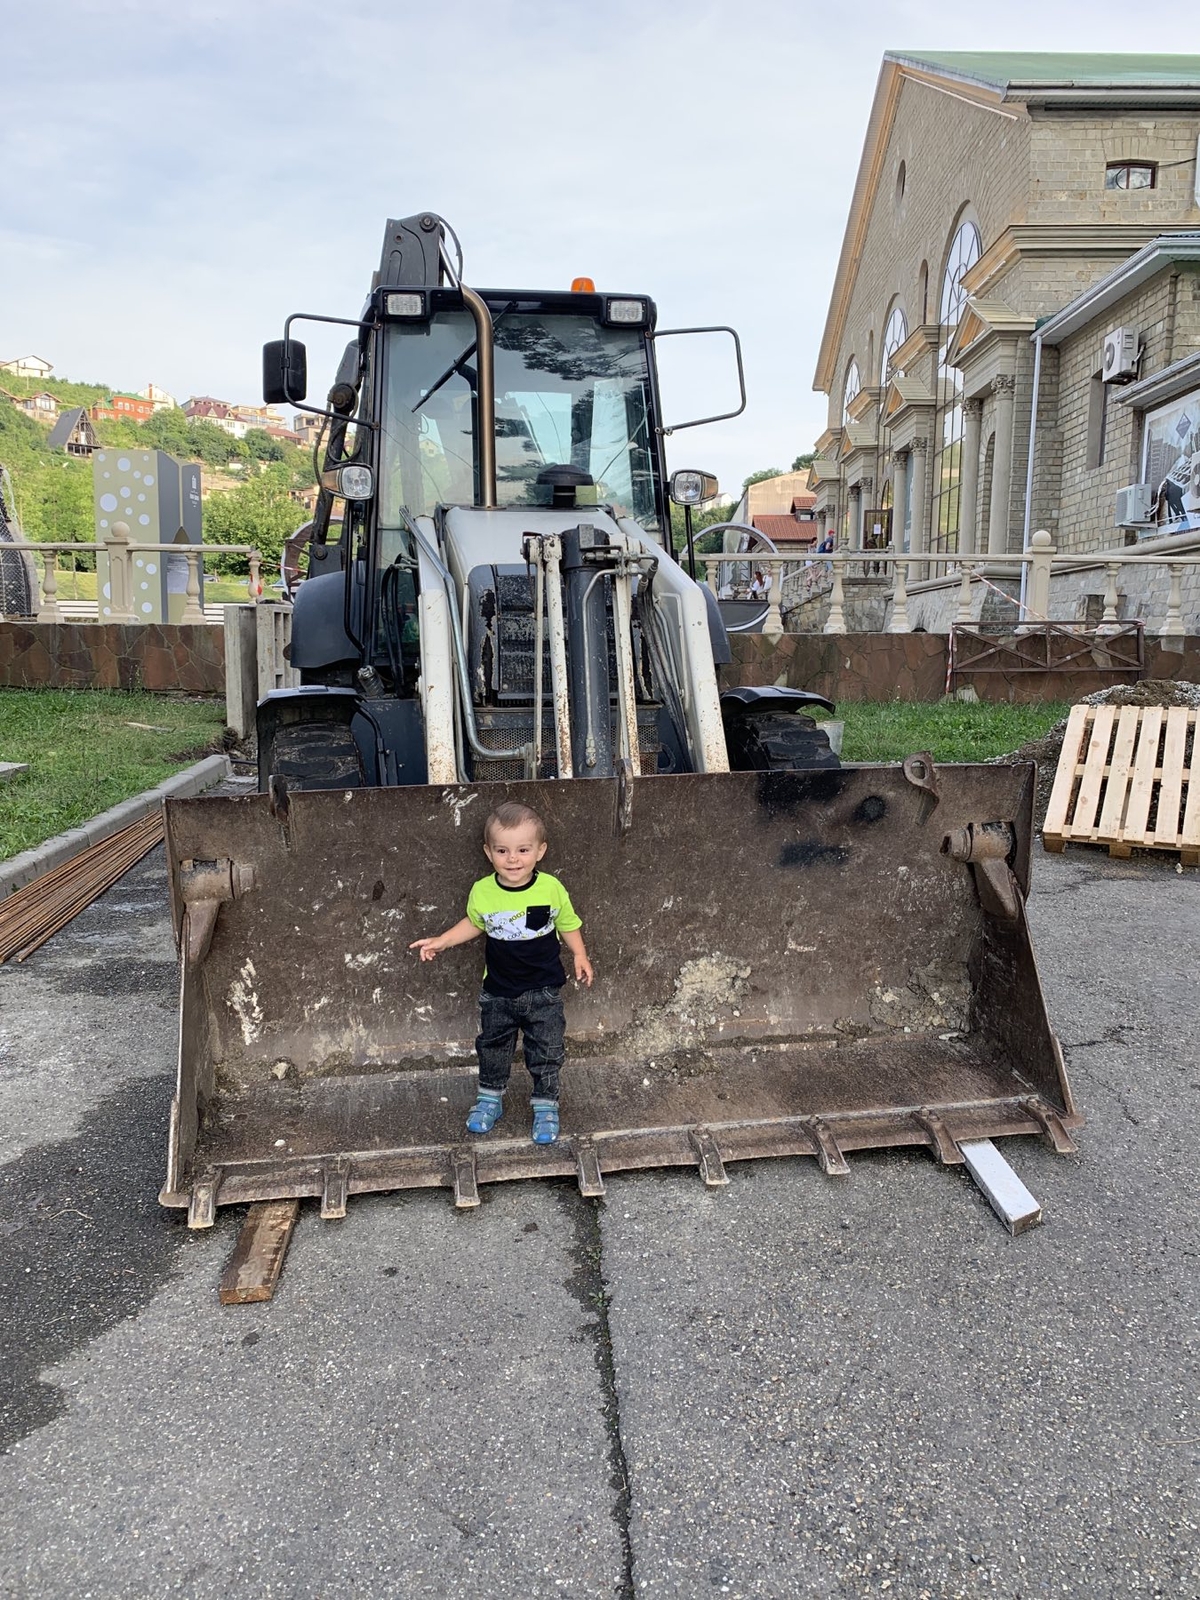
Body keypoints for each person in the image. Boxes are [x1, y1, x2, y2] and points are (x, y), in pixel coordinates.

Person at [408, 802, 593, 1145]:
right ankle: (489, 1100)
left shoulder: (551, 888)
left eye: (523, 850)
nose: (513, 859)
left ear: (540, 851)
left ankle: (546, 1105)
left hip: (544, 991)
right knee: (492, 1047)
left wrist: (580, 954)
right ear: (488, 853)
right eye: (502, 850)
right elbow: (473, 924)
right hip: (498, 992)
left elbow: (568, 923)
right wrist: (442, 941)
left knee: (547, 1049)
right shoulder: (483, 891)